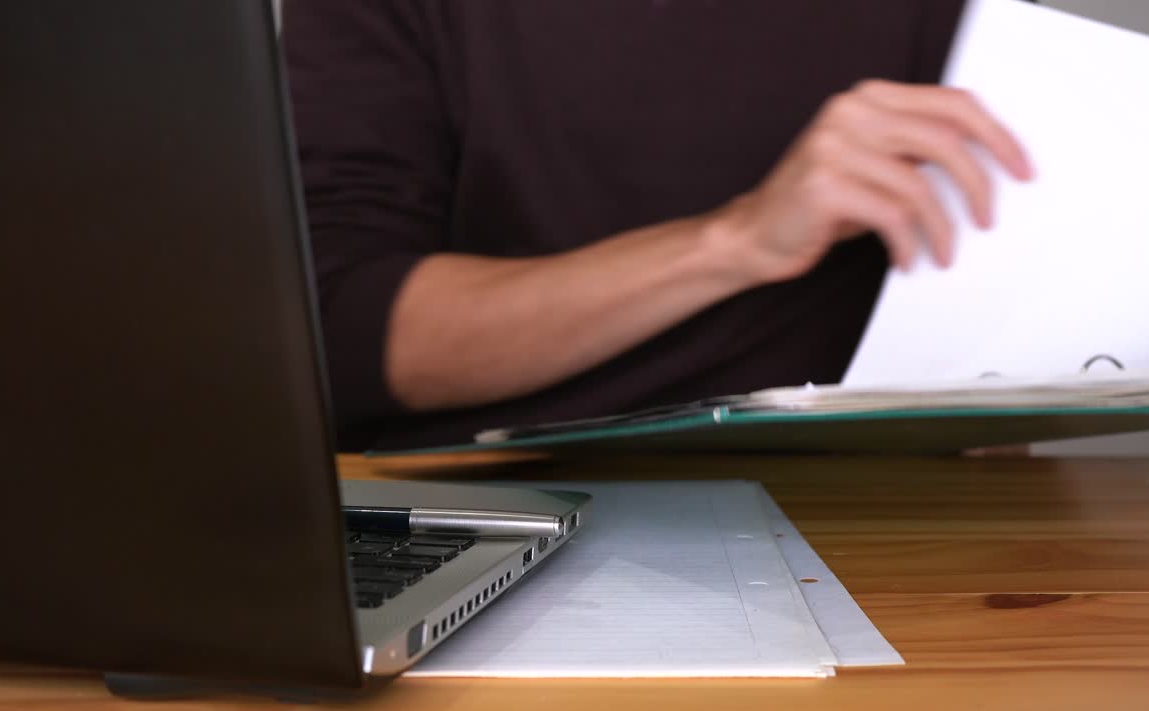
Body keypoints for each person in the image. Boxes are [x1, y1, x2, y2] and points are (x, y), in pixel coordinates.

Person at [283, 0, 1032, 451]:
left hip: (882, 518)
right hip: (491, 505)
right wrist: (735, 241)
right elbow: (336, 334)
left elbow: (1002, 276)